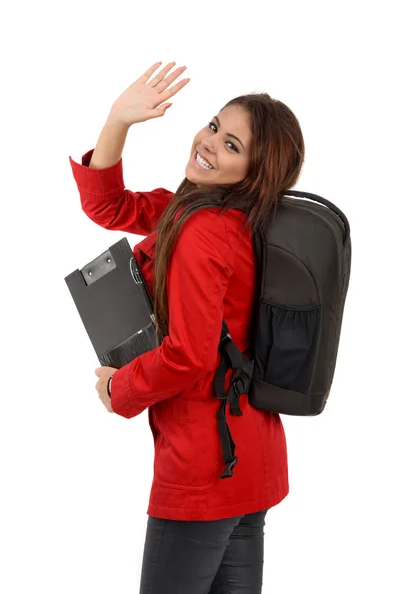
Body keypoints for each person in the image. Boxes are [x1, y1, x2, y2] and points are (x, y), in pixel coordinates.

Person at [69, 60, 305, 593]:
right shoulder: (215, 213)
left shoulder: (202, 233)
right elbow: (108, 204)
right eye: (215, 126)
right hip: (249, 460)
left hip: (202, 469)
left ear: (255, 172)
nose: (209, 142)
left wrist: (118, 388)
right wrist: (118, 120)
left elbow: (187, 355)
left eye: (231, 146)